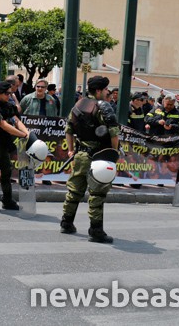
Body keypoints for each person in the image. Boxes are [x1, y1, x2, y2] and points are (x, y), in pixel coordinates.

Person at [60, 76, 119, 244]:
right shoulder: (103, 107)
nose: (108, 92)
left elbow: (69, 129)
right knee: (97, 193)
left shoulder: (78, 105)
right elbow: (114, 133)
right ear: (99, 90)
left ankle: (66, 222)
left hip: (80, 155)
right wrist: (114, 154)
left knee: (74, 190)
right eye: (106, 89)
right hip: (99, 157)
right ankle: (96, 230)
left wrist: (71, 150)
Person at [0, 81, 29, 212]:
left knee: (6, 172)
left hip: (5, 143)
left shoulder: (8, 106)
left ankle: (7, 200)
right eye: (7, 93)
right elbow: (3, 124)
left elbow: (16, 121)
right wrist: (22, 135)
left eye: (11, 93)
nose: (10, 95)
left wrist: (26, 133)